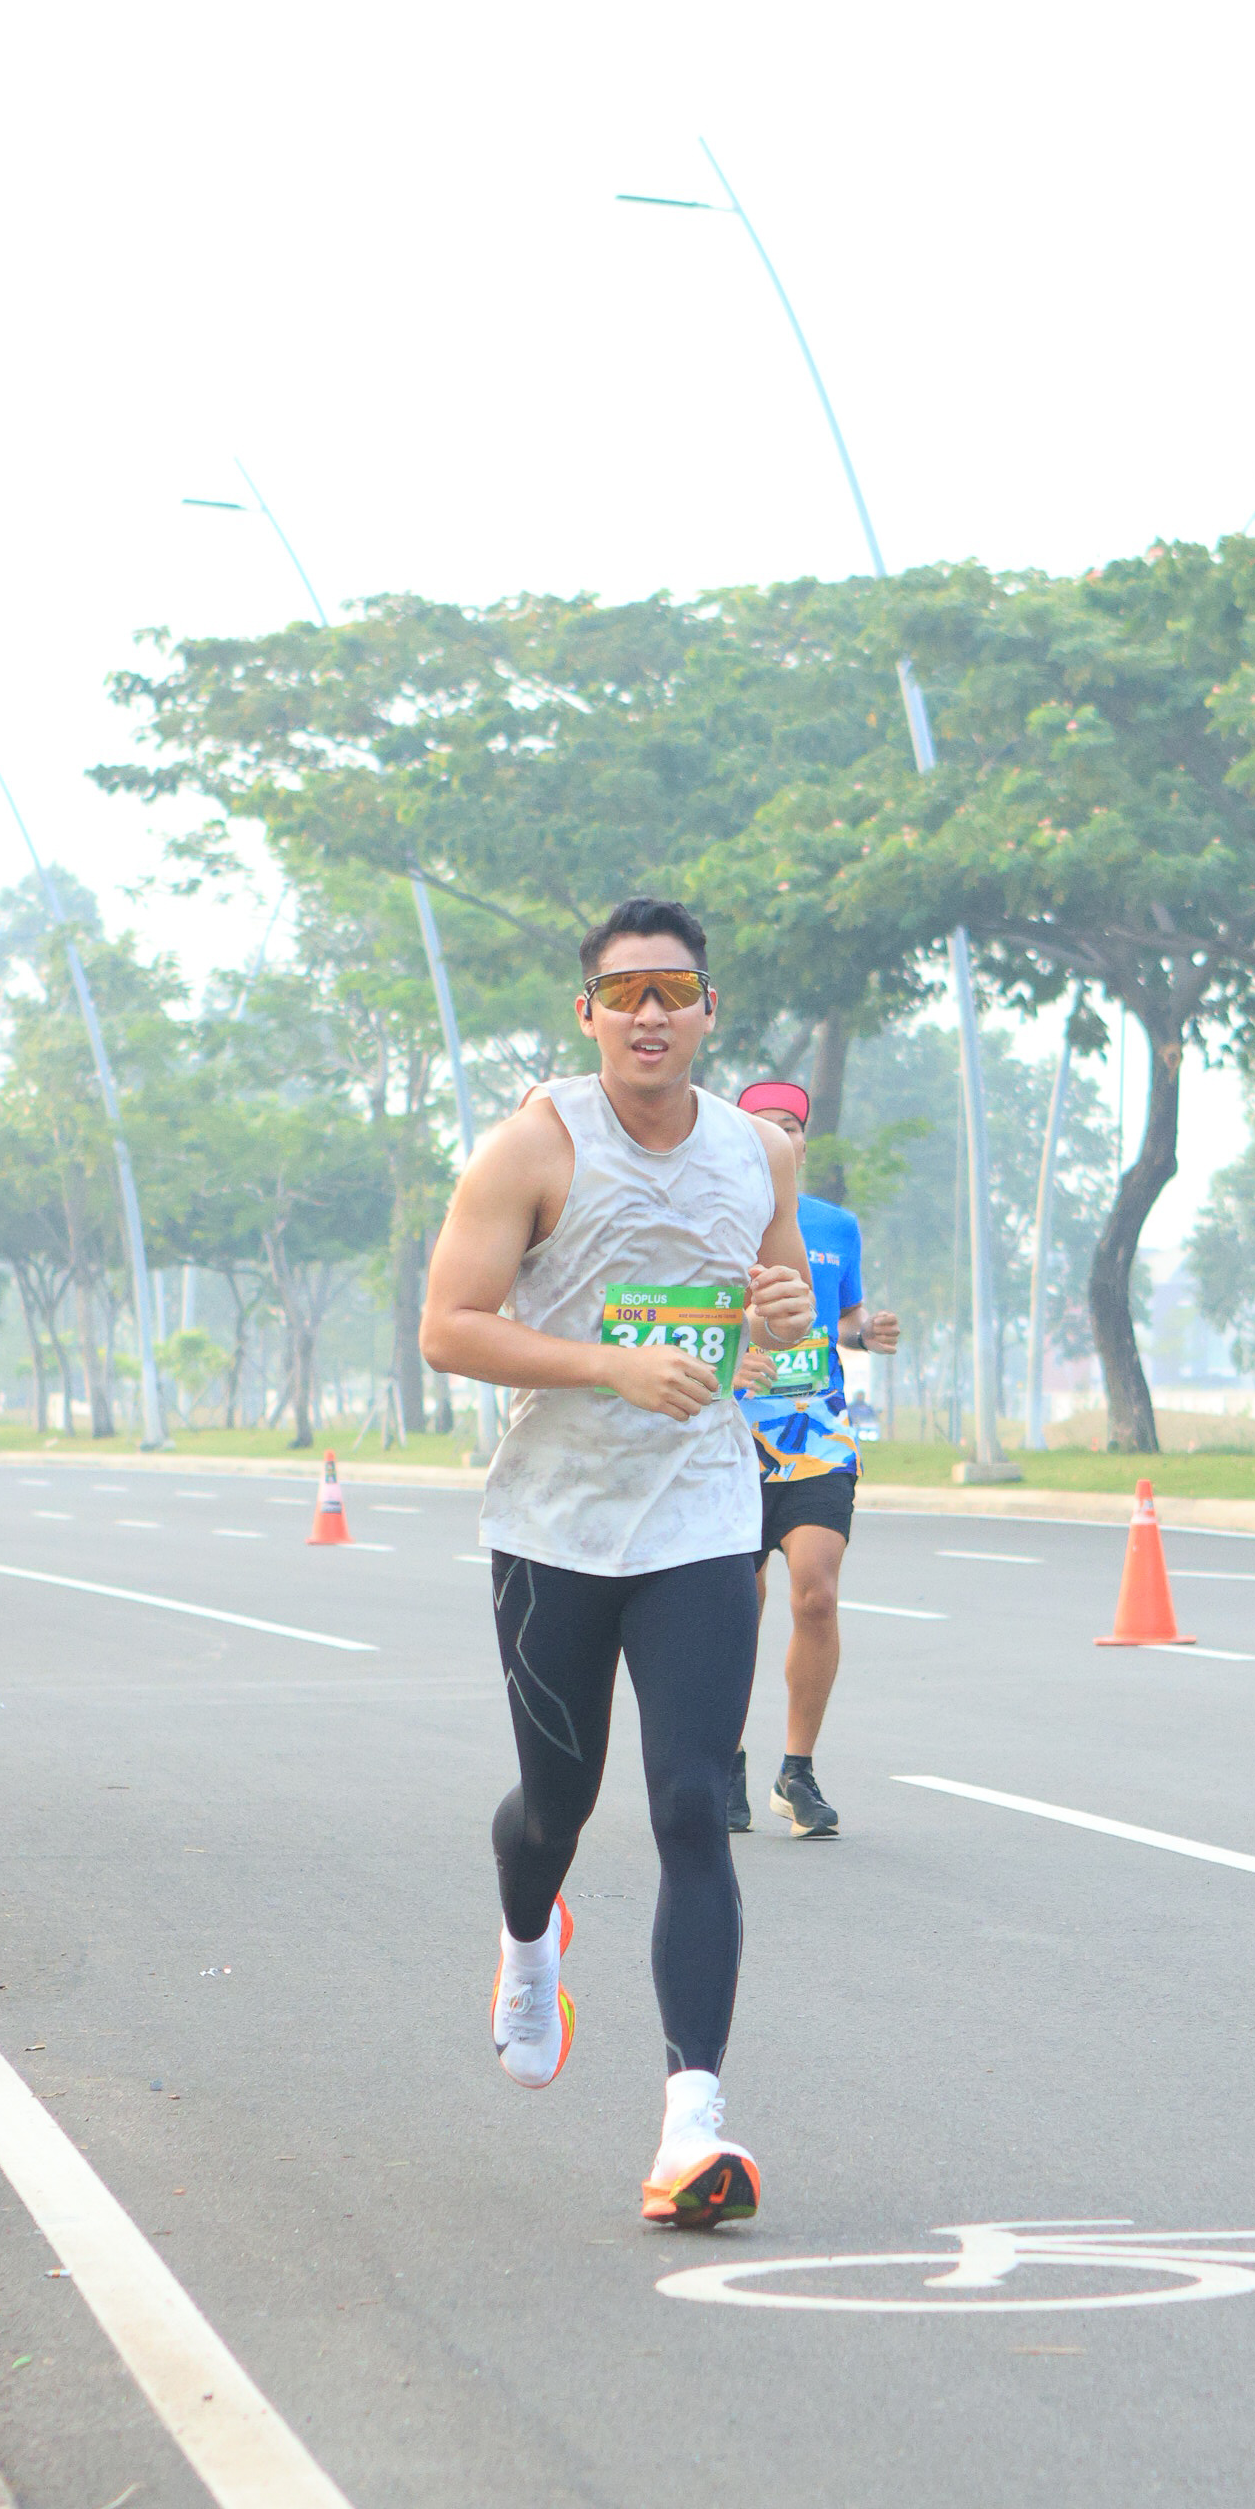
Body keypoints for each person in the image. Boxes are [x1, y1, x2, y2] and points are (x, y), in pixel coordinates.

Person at [419, 896, 816, 2228]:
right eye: (627, 992)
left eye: (676, 990)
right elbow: (448, 1328)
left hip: (700, 1514)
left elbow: (780, 1340)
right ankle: (530, 1938)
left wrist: (784, 1317)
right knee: (558, 1801)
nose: (652, 1013)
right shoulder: (533, 1147)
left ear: (709, 1009)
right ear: (587, 1013)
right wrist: (607, 1364)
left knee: (693, 1804)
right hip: (556, 1526)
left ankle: (691, 2125)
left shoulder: (760, 1153)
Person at [725, 1081, 899, 1838]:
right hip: (726, 1434)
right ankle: (722, 1759)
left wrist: (867, 1333)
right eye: (764, 1125)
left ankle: (797, 1773)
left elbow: (844, 1316)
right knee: (737, 1608)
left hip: (817, 1432)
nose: (782, 1136)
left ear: (802, 1141)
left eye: (791, 1125)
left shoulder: (836, 1225)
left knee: (817, 1597)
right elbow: (677, 1313)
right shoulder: (708, 1214)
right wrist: (726, 1359)